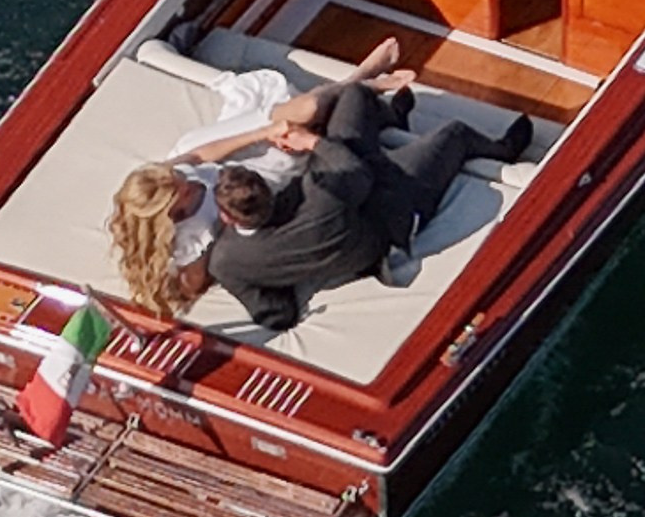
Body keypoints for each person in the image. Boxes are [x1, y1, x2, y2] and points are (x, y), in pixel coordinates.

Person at [105, 36, 414, 319]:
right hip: (255, 186)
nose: (184, 178)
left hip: (233, 152)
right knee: (310, 124)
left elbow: (200, 156)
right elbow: (202, 278)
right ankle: (363, 88)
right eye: (181, 186)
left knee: (308, 108)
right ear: (171, 210)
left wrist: (263, 132)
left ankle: (360, 78)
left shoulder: (165, 177)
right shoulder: (183, 244)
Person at [207, 85, 533, 333]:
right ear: (266, 188)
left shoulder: (226, 263)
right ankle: (502, 150)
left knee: (355, 96)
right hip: (389, 207)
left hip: (346, 187)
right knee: (454, 135)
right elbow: (357, 175)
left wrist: (287, 268)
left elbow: (277, 315)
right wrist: (309, 142)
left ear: (226, 217)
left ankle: (393, 117)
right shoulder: (319, 200)